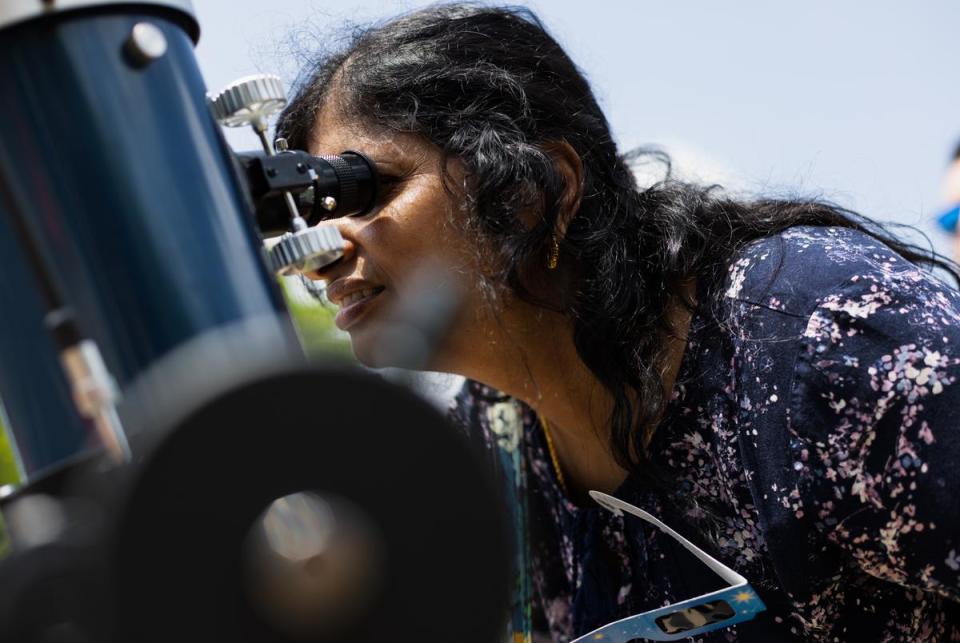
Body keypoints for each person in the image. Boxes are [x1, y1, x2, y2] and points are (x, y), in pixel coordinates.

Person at [276, 5, 960, 641]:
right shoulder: (491, 451)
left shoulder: (818, 335)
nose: (325, 252)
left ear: (531, 191)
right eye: (315, 214)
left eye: (366, 190)